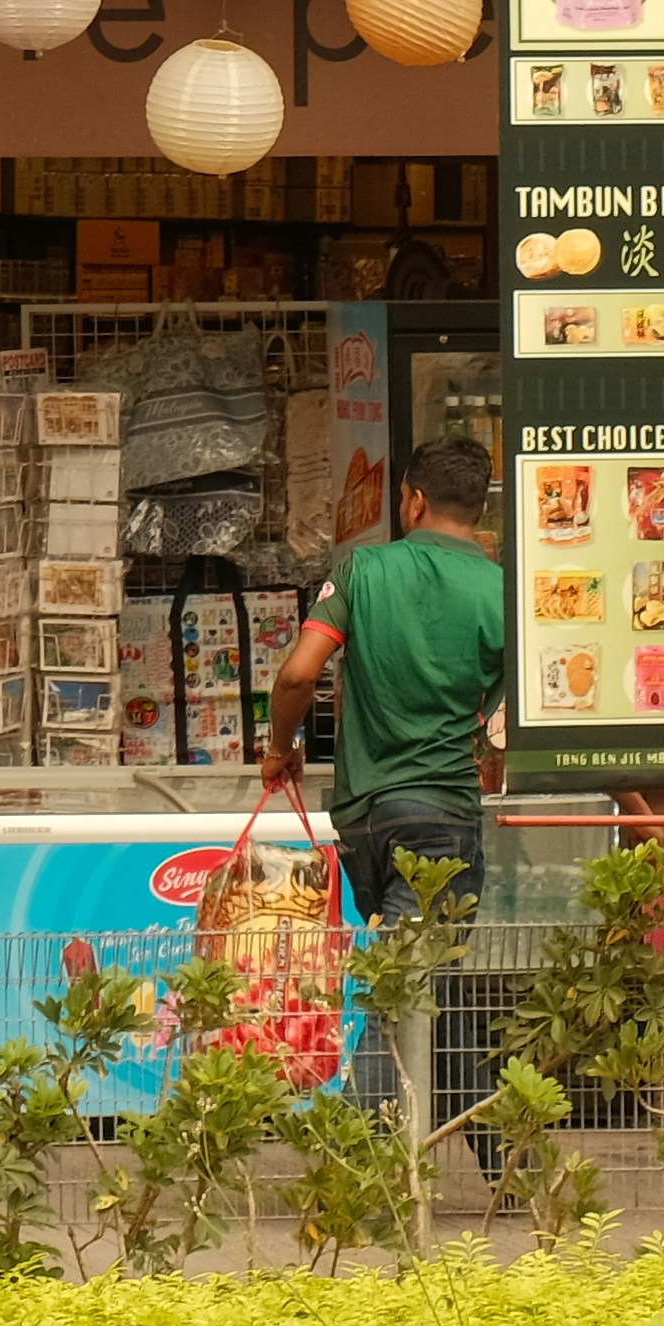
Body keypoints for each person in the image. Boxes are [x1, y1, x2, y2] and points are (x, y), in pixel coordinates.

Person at [260, 427, 513, 1144]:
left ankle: (506, 1167)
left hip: (367, 819)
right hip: (443, 820)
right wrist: (486, 745)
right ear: (479, 508)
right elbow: (514, 708)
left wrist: (281, 749)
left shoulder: (362, 570)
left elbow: (299, 673)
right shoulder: (502, 591)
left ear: (414, 499)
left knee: (425, 991)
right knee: (408, 990)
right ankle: (361, 1165)